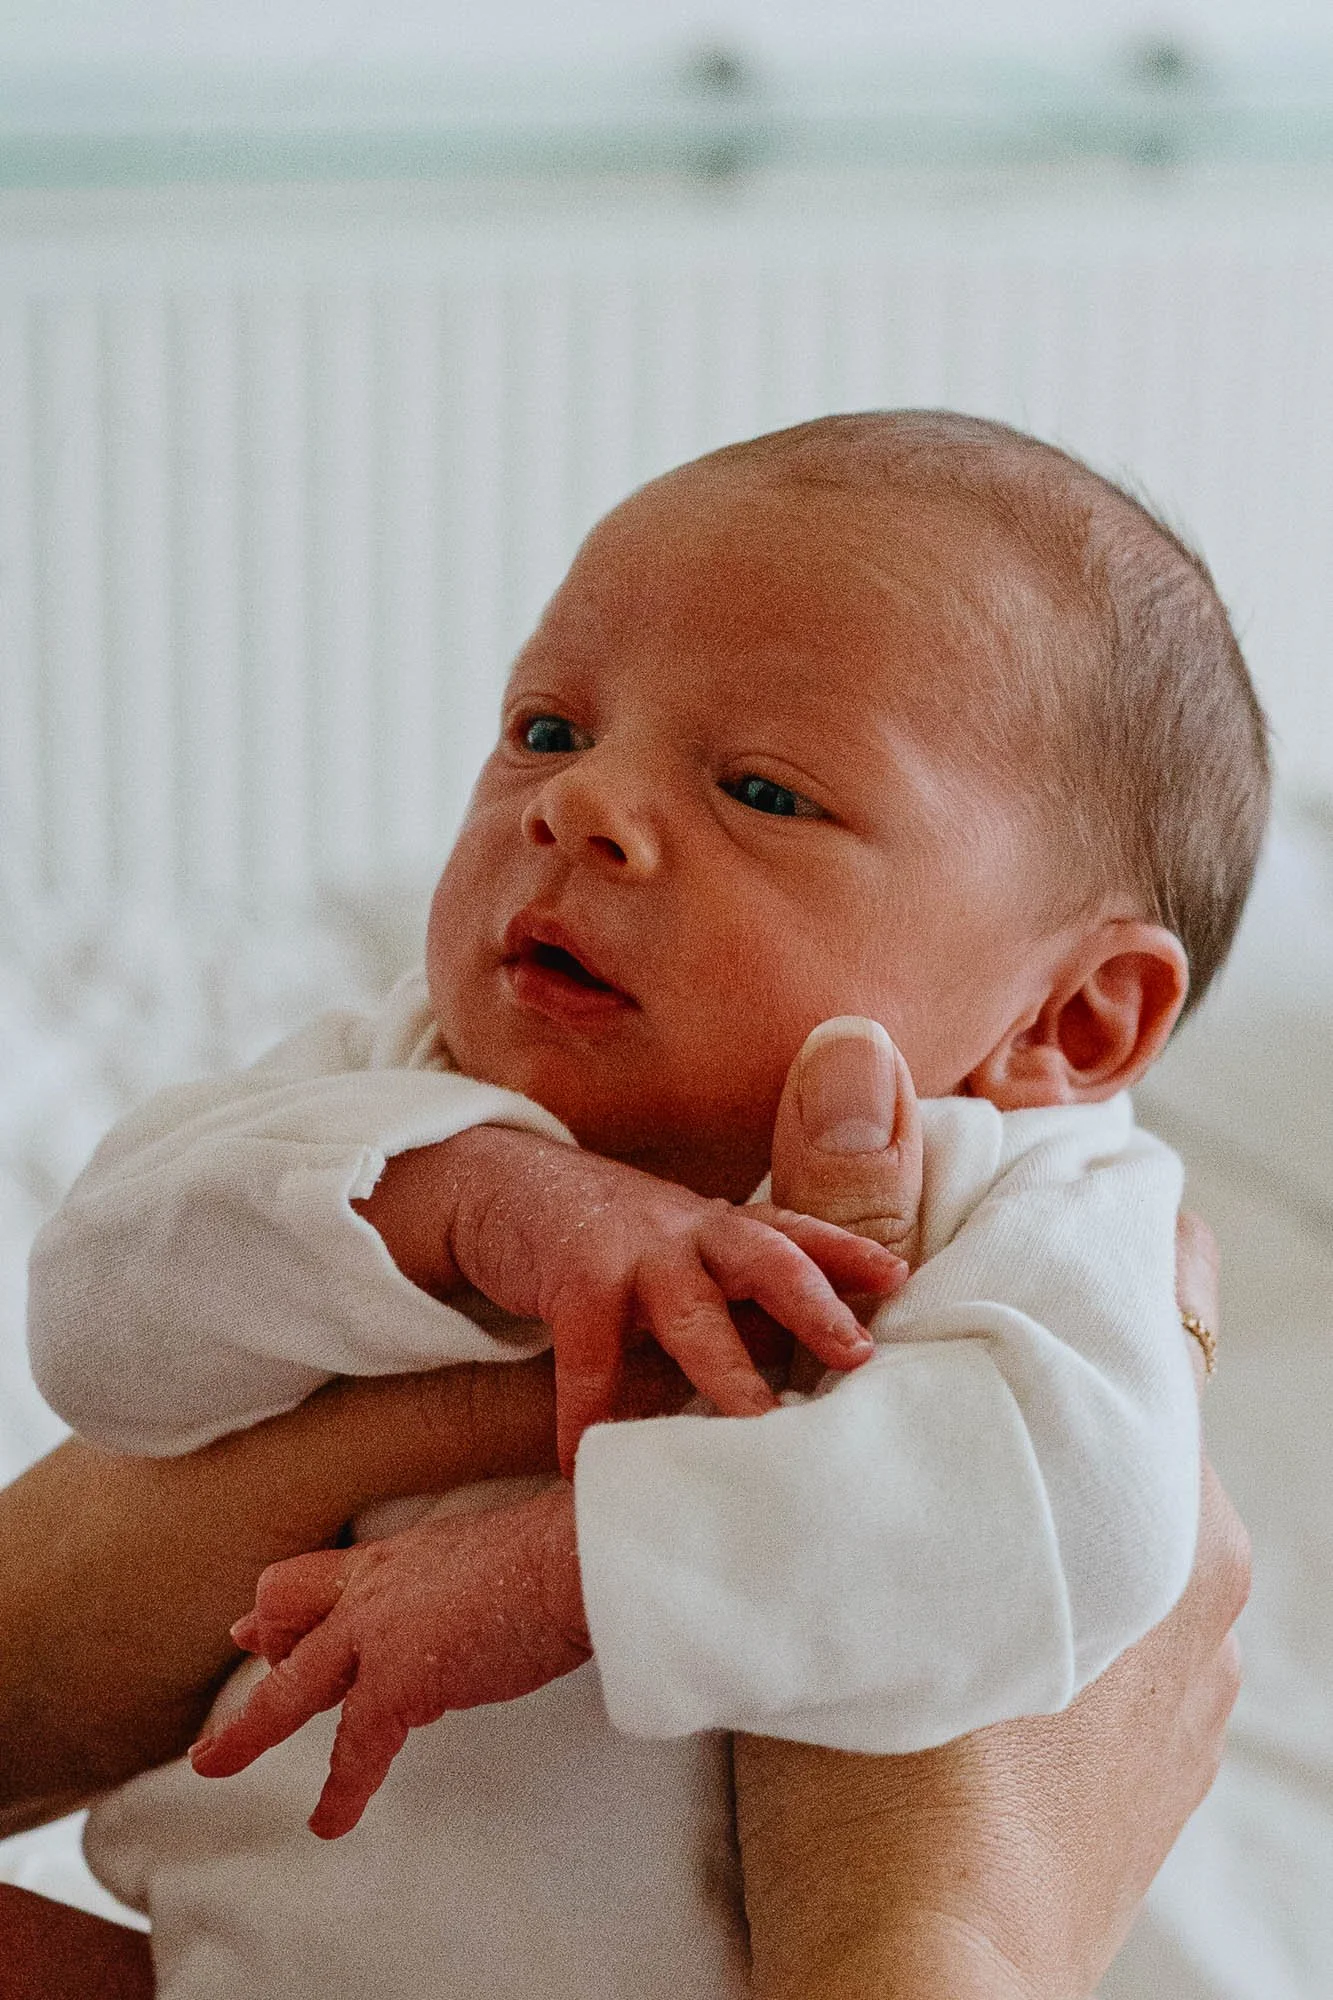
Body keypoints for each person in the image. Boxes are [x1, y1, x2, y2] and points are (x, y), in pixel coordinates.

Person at [24, 409, 1268, 1995]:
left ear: (1069, 1022)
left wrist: (568, 1573)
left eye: (760, 789)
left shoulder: (1027, 1193)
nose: (577, 807)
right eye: (546, 730)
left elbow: (1069, 1514)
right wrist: (464, 1200)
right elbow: (103, 1318)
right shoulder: (404, 1076)